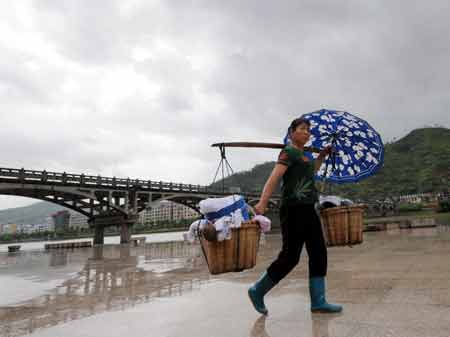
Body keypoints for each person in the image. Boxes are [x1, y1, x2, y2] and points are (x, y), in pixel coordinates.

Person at [248, 117, 342, 315]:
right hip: (293, 209)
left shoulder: (305, 155)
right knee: (290, 257)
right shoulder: (288, 151)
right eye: (302, 129)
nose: (307, 132)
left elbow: (311, 172)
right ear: (292, 132)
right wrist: (263, 202)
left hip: (309, 208)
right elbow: (275, 177)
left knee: (318, 252)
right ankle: (257, 290)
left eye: (308, 130)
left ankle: (318, 301)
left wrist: (322, 156)